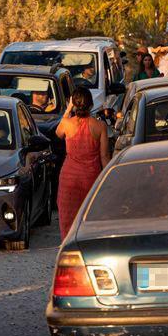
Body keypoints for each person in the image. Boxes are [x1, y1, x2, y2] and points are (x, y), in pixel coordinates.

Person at [56, 88, 110, 239]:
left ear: (74, 104)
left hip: (69, 178)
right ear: (91, 104)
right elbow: (104, 156)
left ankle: (68, 250)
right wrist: (109, 180)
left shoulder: (67, 123)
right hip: (91, 177)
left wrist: (68, 110)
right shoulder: (100, 127)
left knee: (67, 218)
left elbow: (58, 133)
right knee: (89, 216)